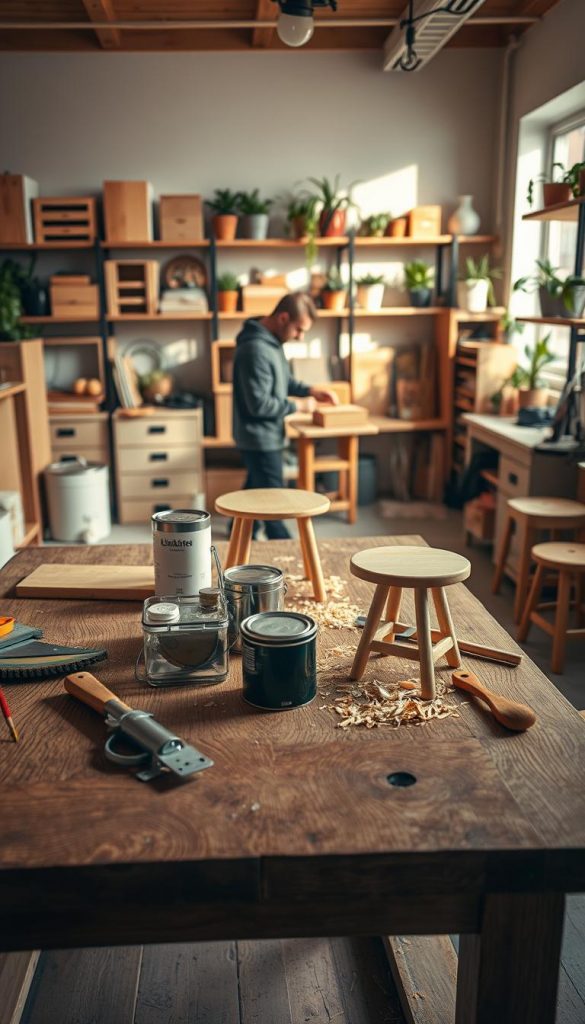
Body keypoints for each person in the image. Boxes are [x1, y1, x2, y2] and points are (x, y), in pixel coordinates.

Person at [232, 291, 338, 540]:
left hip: (265, 436)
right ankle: (287, 549)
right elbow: (259, 405)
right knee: (275, 503)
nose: (300, 337)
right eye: (299, 330)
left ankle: (240, 534)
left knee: (256, 492)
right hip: (259, 439)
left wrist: (311, 390)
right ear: (282, 318)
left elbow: (283, 382)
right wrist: (300, 406)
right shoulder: (256, 349)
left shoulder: (271, 343)